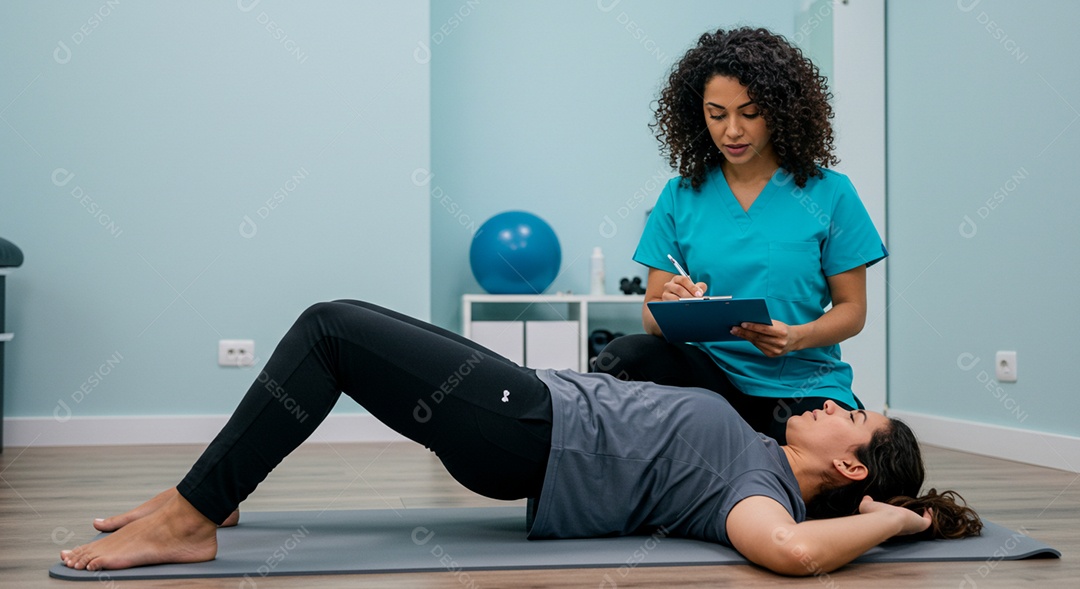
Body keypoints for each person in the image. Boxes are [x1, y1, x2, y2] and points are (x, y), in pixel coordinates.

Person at [60, 300, 980, 576]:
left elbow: (790, 552)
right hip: (528, 403)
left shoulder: (762, 494)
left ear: (851, 463)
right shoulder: (754, 441)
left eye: (849, 414)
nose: (829, 402)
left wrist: (897, 523)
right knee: (337, 335)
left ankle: (192, 514)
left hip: (528, 431)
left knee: (330, 330)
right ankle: (203, 496)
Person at [593, 27, 888, 443]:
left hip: (802, 384)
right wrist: (672, 303)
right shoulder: (679, 197)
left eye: (749, 113)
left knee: (822, 468)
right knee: (621, 356)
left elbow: (852, 309)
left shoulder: (831, 192)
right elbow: (651, 315)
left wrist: (796, 337)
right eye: (717, 114)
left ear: (782, 110)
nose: (732, 130)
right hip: (711, 380)